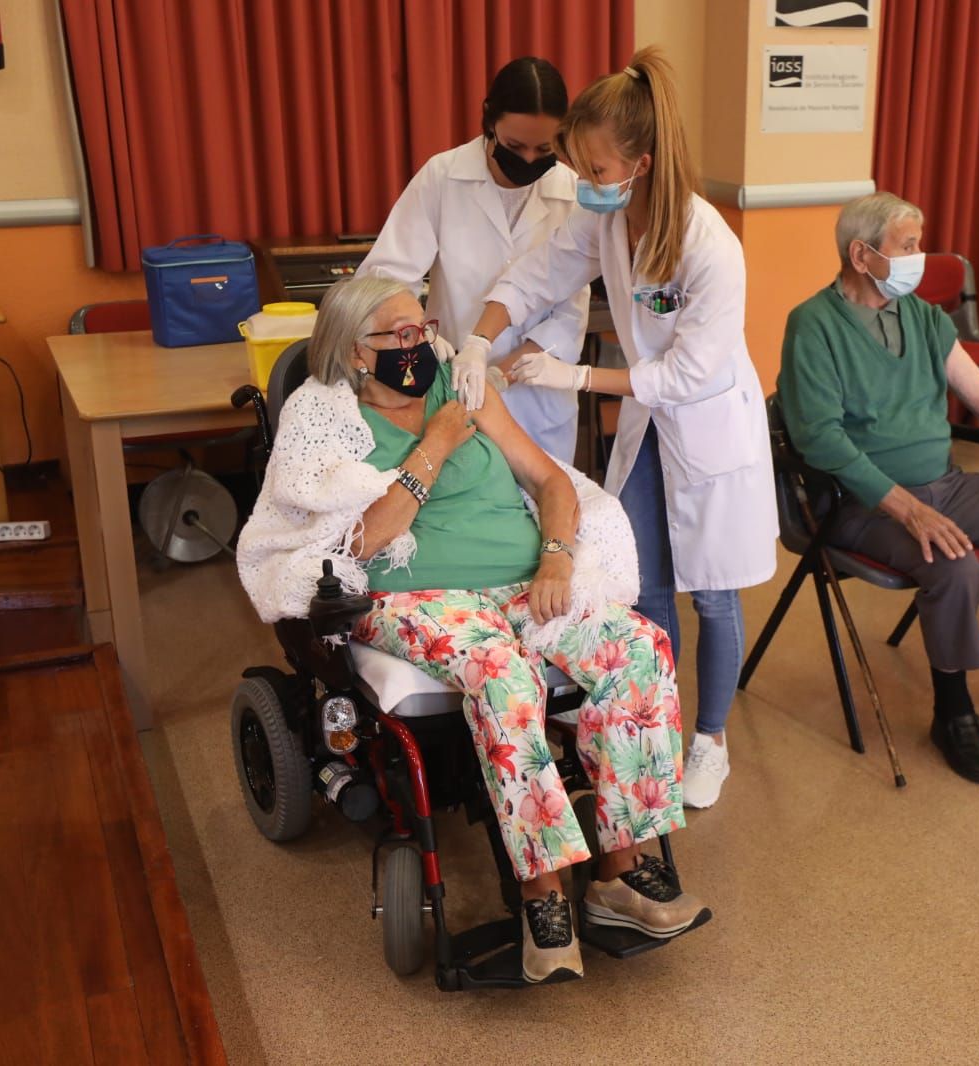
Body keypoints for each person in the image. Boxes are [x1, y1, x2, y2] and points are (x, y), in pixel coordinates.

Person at [236, 277, 706, 984]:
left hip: (524, 582)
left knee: (639, 648)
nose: (417, 344)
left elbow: (552, 484)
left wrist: (555, 559)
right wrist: (435, 444)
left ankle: (618, 874)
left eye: (420, 328)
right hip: (418, 596)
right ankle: (541, 893)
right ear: (356, 355)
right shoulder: (324, 420)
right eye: (396, 336)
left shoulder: (468, 390)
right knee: (503, 674)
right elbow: (359, 542)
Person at [450, 47, 776, 810]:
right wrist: (478, 337)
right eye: (581, 165)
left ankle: (711, 741)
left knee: (714, 596)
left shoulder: (709, 246)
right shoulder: (608, 222)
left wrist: (577, 377)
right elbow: (535, 276)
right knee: (645, 585)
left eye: (596, 170)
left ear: (643, 163)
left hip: (709, 431)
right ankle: (654, 726)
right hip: (652, 428)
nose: (583, 184)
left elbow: (690, 375)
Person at [778, 192, 979, 786]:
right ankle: (953, 715)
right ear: (862, 254)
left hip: (949, 485)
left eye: (918, 245)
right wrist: (906, 509)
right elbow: (820, 440)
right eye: (908, 246)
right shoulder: (813, 325)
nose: (919, 257)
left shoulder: (929, 320)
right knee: (952, 562)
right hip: (858, 503)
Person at [357, 56, 588, 462]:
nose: (529, 160)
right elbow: (385, 280)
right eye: (516, 146)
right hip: (450, 390)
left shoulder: (571, 191)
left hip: (539, 404)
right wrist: (425, 338)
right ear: (488, 121)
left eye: (544, 149)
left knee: (543, 509)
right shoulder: (443, 177)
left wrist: (500, 373)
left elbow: (569, 315)